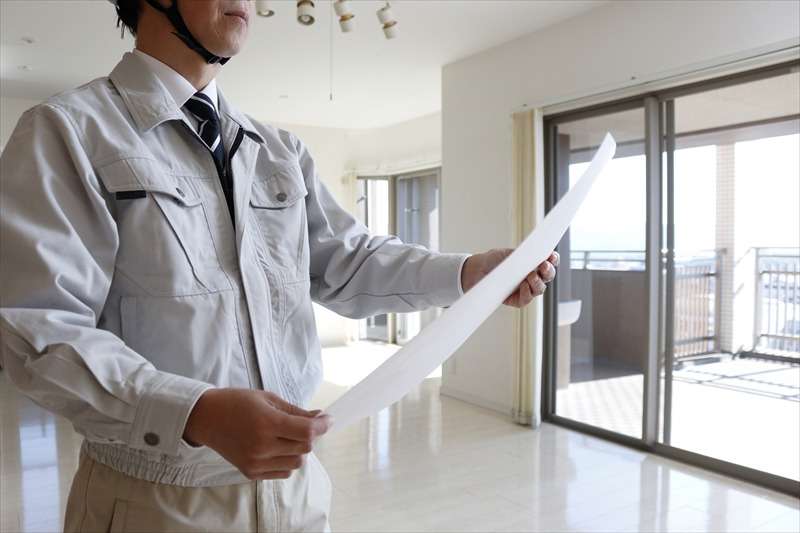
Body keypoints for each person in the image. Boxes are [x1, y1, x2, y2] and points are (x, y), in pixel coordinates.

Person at [0, 0, 559, 531]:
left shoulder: (277, 149)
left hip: (296, 490)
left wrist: (468, 272)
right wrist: (194, 412)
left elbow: (347, 259)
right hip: (153, 499)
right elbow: (39, 328)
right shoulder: (67, 131)